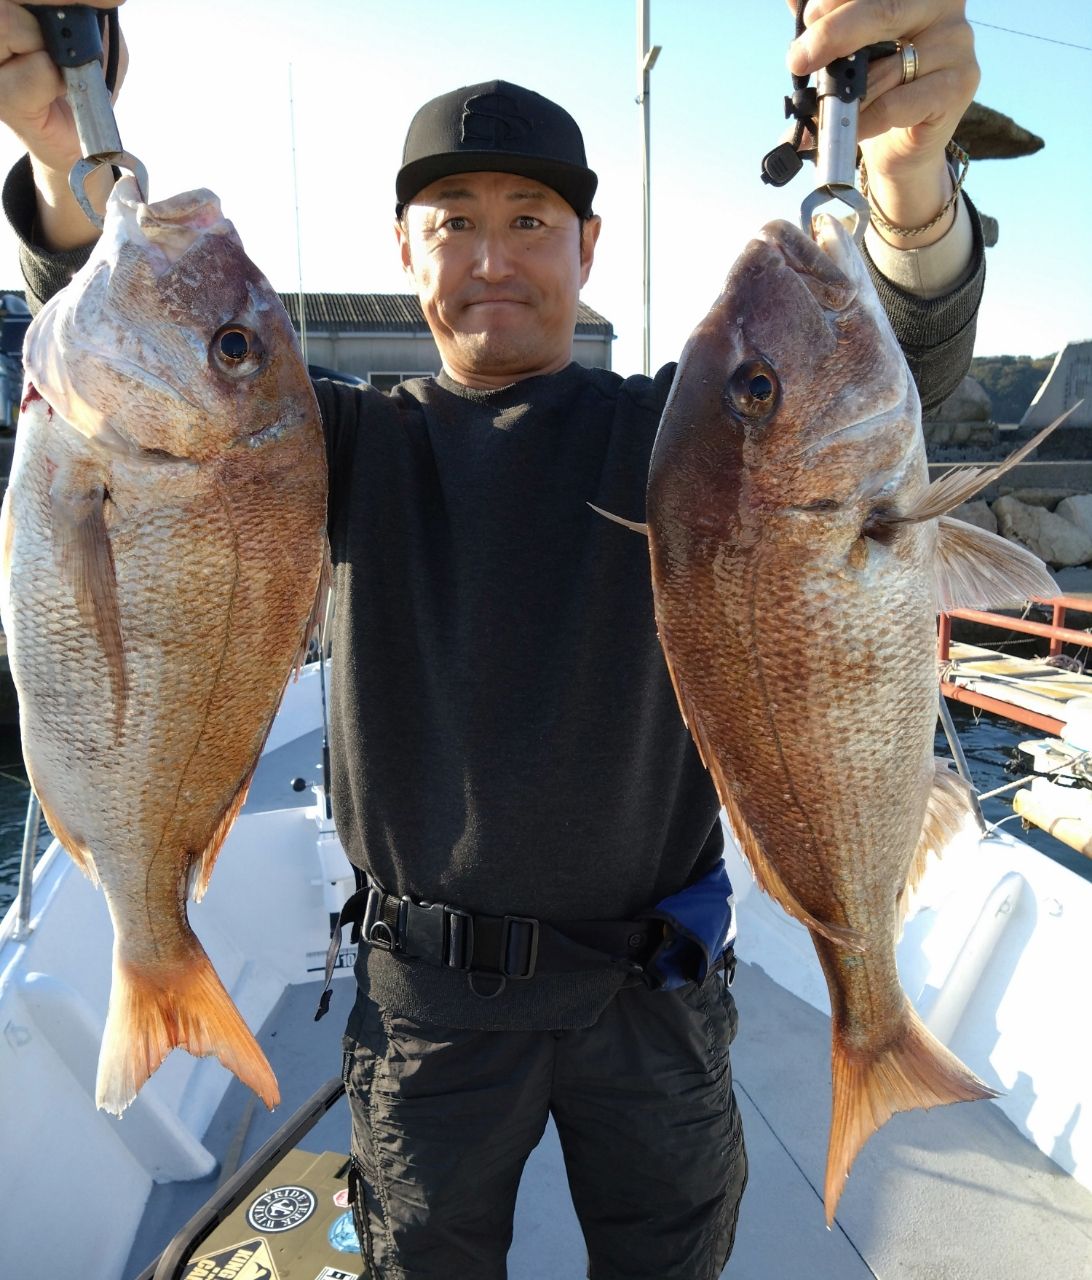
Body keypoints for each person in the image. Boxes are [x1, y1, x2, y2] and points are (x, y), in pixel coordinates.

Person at [0, 2, 984, 1276]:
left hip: (656, 992)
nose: (491, 258)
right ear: (404, 248)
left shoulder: (692, 445)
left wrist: (907, 196)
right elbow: (156, 383)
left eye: (528, 221)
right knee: (424, 1258)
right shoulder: (335, 445)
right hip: (428, 999)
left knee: (671, 1257)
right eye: (453, 221)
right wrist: (56, 150)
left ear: (586, 244)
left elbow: (885, 365)